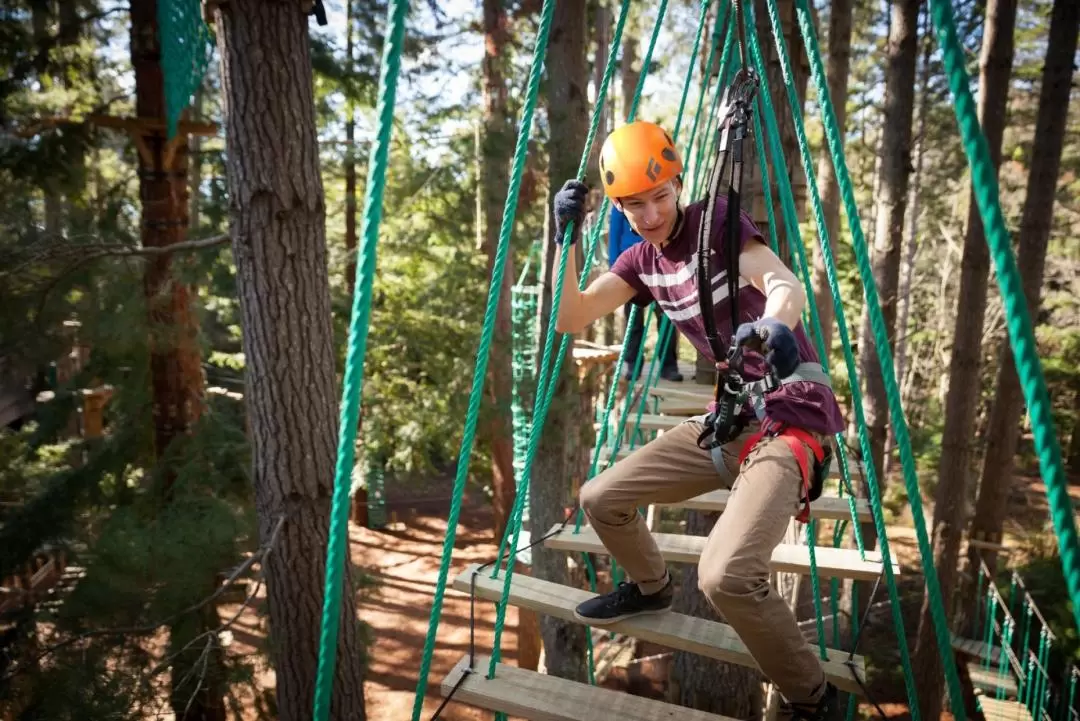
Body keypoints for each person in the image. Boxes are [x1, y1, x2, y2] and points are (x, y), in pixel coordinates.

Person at [550, 120, 845, 720]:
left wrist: (776, 324)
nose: (652, 213)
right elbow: (571, 317)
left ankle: (811, 697)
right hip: (731, 420)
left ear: (679, 183)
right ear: (619, 207)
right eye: (634, 204)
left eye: (661, 196)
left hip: (789, 418)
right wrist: (566, 241)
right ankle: (651, 586)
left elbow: (783, 283)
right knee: (601, 497)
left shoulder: (717, 225)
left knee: (725, 576)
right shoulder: (638, 261)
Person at [608, 206, 683, 382]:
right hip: (630, 267)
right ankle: (633, 365)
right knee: (633, 321)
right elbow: (614, 235)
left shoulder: (655, 200)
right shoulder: (620, 205)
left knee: (666, 317)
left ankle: (668, 365)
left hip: (659, 260)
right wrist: (614, 269)